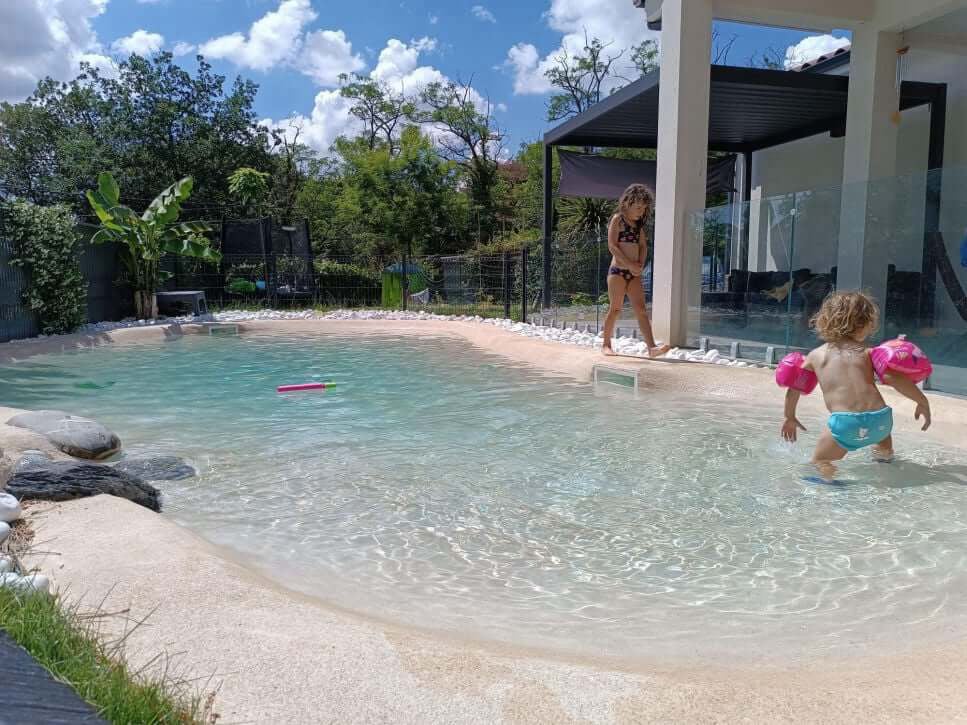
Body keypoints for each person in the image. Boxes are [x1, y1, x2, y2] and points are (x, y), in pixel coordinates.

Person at [781, 291, 932, 480]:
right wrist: (922, 400)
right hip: (881, 420)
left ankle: (833, 491)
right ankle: (885, 465)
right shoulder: (868, 352)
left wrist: (790, 417)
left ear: (825, 321)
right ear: (865, 325)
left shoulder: (815, 356)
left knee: (821, 462)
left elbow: (795, 388)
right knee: (882, 447)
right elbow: (893, 378)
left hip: (846, 424)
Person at [602, 184, 670, 357]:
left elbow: (643, 246)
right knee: (615, 309)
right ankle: (606, 344)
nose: (641, 211)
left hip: (634, 275)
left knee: (641, 310)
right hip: (618, 272)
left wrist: (640, 263)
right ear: (627, 203)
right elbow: (612, 246)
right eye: (638, 207)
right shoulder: (618, 219)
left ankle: (652, 348)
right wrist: (629, 264)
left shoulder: (638, 227)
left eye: (644, 208)